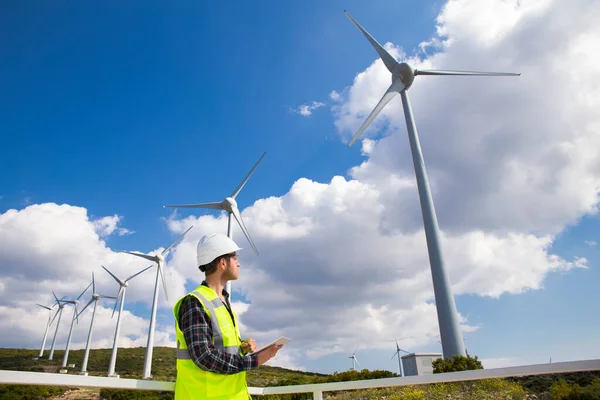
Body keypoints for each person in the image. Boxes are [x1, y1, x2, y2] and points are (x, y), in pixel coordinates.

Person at [173, 233, 282, 400]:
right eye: (235, 257)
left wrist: (242, 346)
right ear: (223, 262)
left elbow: (220, 345)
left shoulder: (223, 302)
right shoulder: (194, 303)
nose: (238, 263)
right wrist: (255, 361)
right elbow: (204, 356)